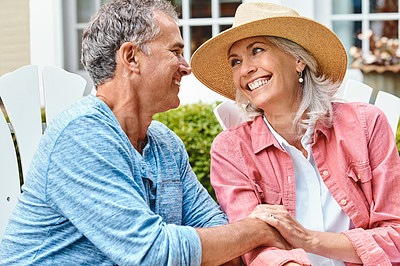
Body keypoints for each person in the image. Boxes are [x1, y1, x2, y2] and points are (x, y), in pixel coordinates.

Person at [0, 0, 290, 265]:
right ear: (131, 57)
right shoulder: (81, 136)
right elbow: (152, 253)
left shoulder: (165, 145)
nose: (186, 68)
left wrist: (246, 240)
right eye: (175, 52)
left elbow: (214, 226)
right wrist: (255, 230)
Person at [191, 2, 400, 265]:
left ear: (298, 59)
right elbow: (252, 246)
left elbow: (396, 235)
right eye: (236, 61)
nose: (245, 70)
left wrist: (308, 239)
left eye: (257, 50)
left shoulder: (366, 125)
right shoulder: (231, 150)